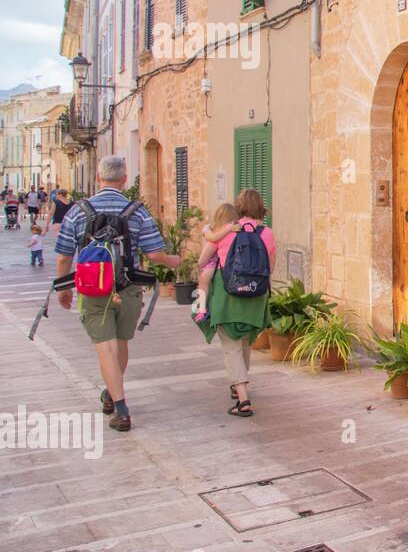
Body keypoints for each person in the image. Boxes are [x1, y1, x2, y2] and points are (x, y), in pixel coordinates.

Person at [54, 156, 181, 433]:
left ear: (98, 179)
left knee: (105, 346)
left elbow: (64, 255)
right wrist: (174, 261)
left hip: (92, 290)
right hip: (127, 288)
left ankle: (120, 407)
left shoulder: (78, 211)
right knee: (121, 343)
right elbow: (154, 254)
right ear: (124, 180)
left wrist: (63, 288)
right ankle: (112, 395)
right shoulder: (137, 212)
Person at [196, 188, 275, 418]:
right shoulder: (267, 233)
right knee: (244, 342)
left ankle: (243, 400)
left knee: (231, 346)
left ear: (238, 207)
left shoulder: (228, 230)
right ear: (262, 207)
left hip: (228, 295)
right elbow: (270, 268)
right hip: (255, 296)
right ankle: (237, 384)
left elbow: (202, 259)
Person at [191, 202, 239, 322]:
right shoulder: (209, 229)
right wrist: (228, 229)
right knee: (203, 281)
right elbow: (213, 239)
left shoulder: (227, 231)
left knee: (203, 281)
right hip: (211, 262)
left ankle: (201, 308)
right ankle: (201, 309)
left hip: (216, 262)